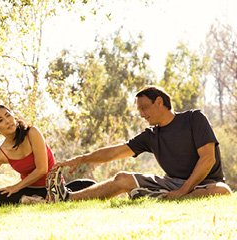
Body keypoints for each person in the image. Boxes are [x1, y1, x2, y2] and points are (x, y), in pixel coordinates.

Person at [46, 85, 232, 203]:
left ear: (159, 102)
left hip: (205, 183)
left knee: (221, 191)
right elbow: (114, 153)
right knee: (122, 178)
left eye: (144, 108)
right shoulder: (150, 135)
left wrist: (183, 191)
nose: (142, 114)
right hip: (170, 184)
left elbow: (208, 159)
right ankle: (68, 197)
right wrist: (81, 159)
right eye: (139, 110)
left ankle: (164, 199)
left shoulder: (194, 119)